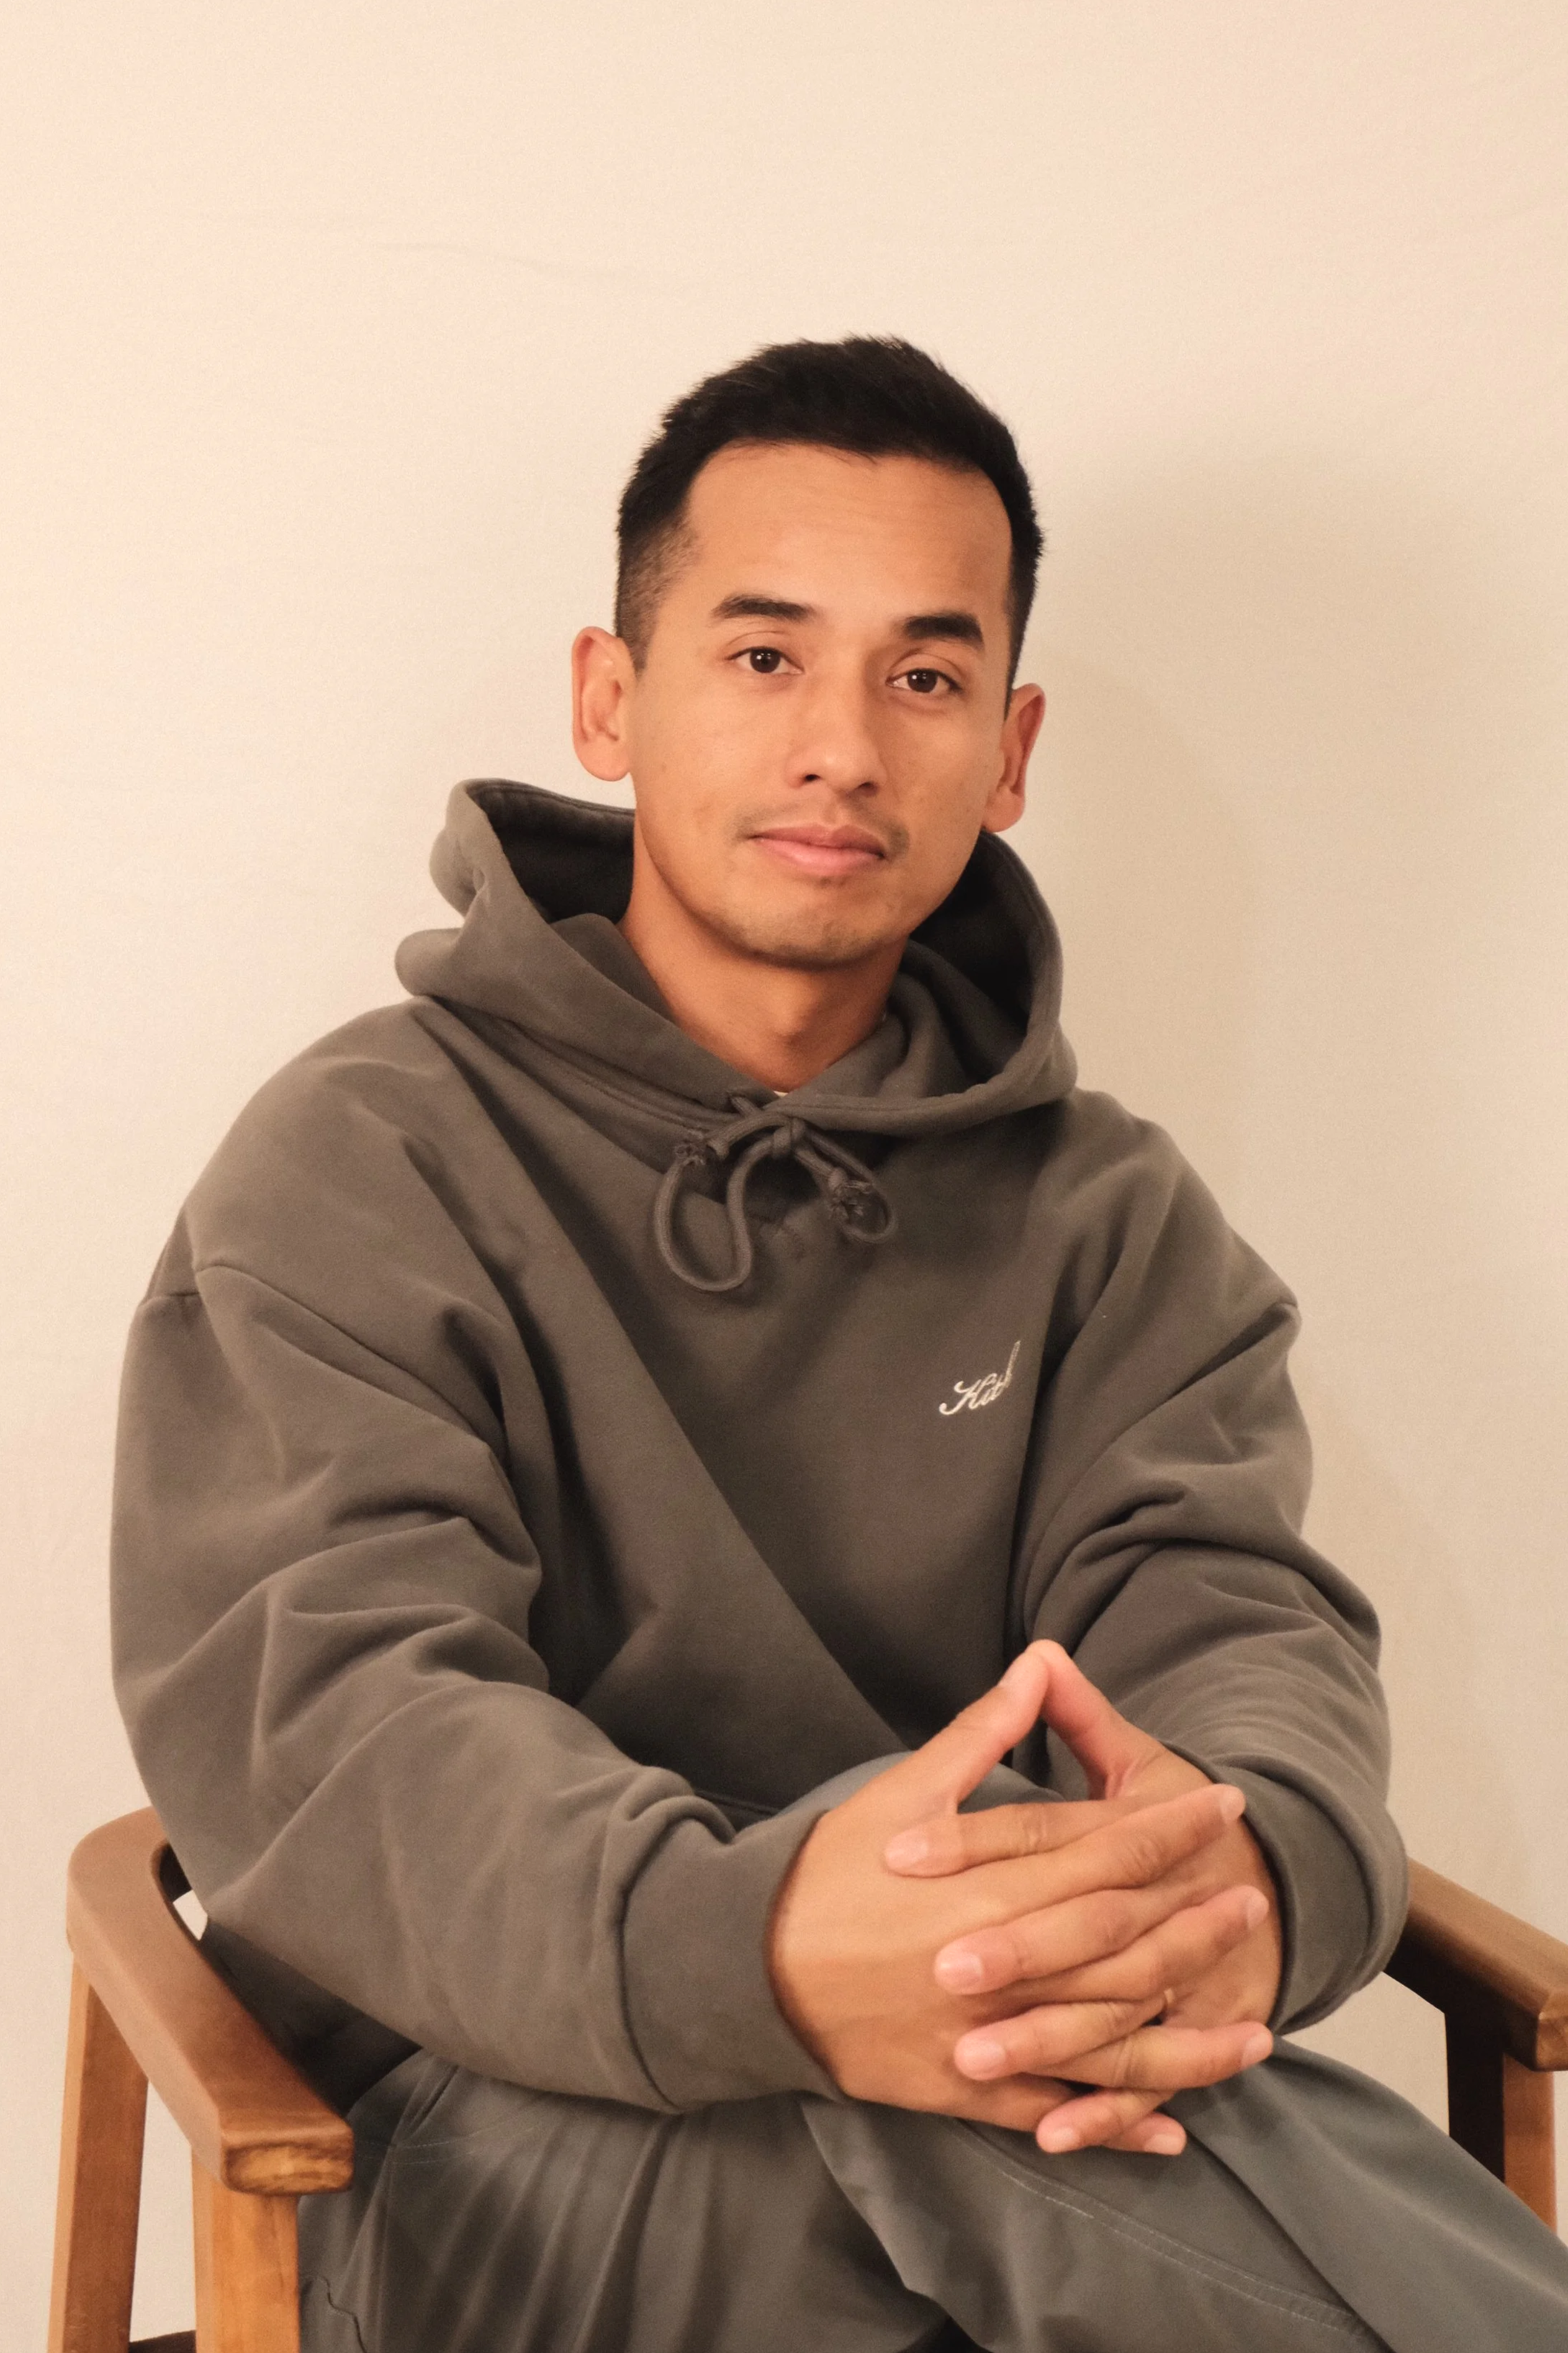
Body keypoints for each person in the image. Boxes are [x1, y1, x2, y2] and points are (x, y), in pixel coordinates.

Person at [111, 336, 1568, 2350]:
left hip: (1023, 2110)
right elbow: (350, 1724)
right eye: (766, 657)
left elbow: (1231, 1619)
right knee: (973, 2083)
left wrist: (1243, 1875)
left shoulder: (1109, 1219)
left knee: (997, 2065)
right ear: (612, 700)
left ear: (1012, 744)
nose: (845, 747)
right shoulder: (360, 1165)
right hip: (466, 2138)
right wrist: (783, 1946)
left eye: (927, 673)